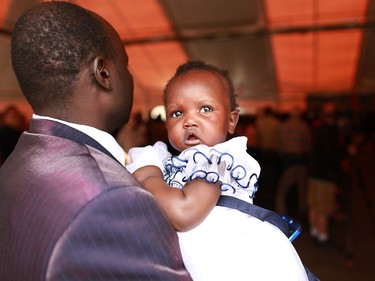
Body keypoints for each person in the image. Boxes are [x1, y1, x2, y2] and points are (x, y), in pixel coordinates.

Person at [0, 2, 192, 280]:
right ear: (102, 73)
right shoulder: (112, 199)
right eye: (125, 64)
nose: (129, 75)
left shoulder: (17, 163)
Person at [127, 60, 309, 281]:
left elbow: (183, 213)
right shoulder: (178, 161)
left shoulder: (216, 160)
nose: (189, 121)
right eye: (176, 113)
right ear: (166, 124)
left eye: (205, 109)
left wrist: (147, 173)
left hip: (230, 265)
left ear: (231, 121)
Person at [307, 103, 343, 245]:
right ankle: (323, 236)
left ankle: (314, 231)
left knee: (313, 205)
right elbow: (332, 155)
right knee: (323, 208)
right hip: (325, 175)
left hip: (313, 173)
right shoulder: (331, 132)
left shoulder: (316, 129)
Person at [275, 107, 311, 218]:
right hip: (301, 159)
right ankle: (303, 211)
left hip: (288, 160)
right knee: (303, 190)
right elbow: (308, 143)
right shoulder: (303, 125)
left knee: (282, 191)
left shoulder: (284, 125)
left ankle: (281, 212)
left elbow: (279, 143)